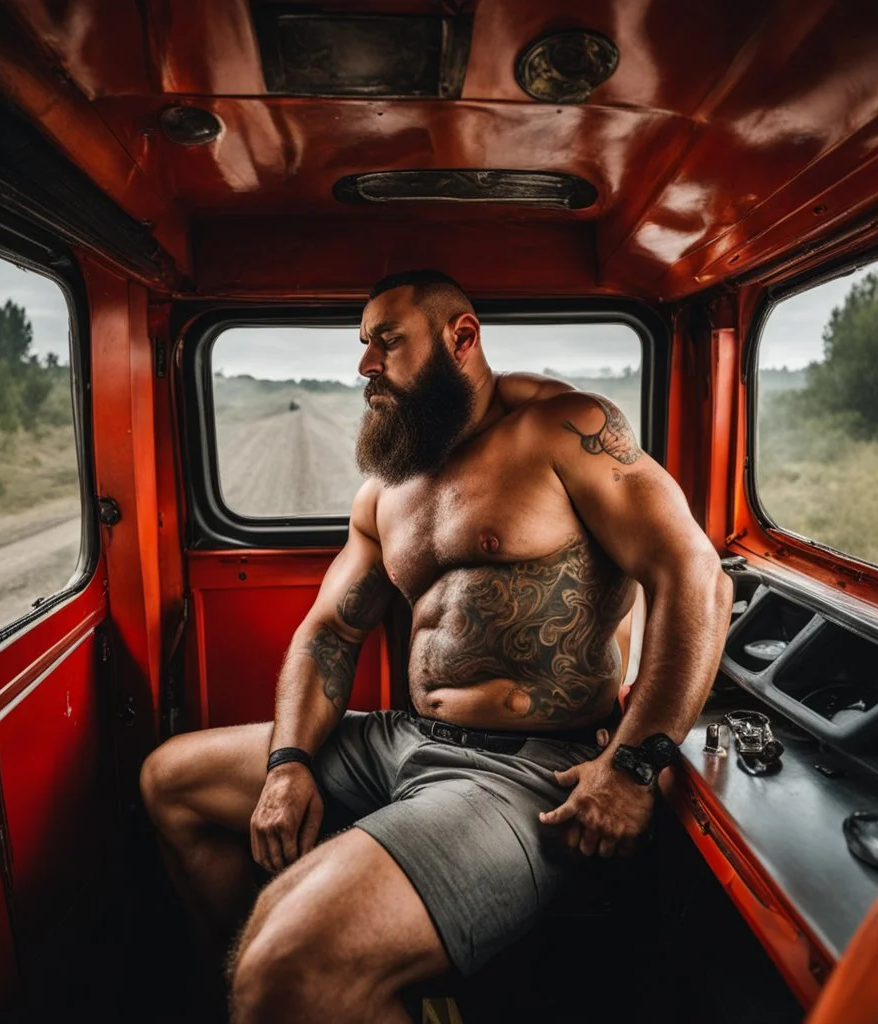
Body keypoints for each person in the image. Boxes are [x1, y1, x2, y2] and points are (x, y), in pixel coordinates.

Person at [140, 269, 734, 1023]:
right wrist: (288, 764)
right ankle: (276, 998)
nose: (365, 366)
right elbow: (331, 630)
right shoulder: (387, 489)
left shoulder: (563, 430)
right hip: (404, 739)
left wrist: (634, 766)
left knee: (290, 970)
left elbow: (699, 577)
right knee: (172, 780)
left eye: (388, 342)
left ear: (462, 338)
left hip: (525, 767)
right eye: (363, 346)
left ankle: (294, 989)